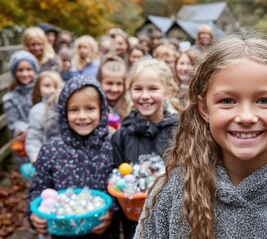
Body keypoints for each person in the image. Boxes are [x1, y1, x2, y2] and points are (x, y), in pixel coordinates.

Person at [133, 35, 267, 239]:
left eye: (264, 101)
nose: (246, 117)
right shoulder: (173, 193)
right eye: (227, 101)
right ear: (204, 109)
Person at [28, 76, 120, 239]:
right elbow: (38, 188)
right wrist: (34, 214)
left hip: (103, 233)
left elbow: (120, 187)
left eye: (90, 108)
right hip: (63, 232)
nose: (82, 116)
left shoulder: (113, 145)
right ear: (64, 112)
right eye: (74, 110)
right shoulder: (51, 149)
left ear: (102, 110)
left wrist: (112, 211)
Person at [111, 59, 179, 239]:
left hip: (174, 219)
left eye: (153, 89)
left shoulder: (179, 132)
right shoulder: (122, 135)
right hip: (134, 221)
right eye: (138, 89)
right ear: (130, 91)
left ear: (168, 91)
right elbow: (115, 175)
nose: (145, 95)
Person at [2, 50, 39, 161]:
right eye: (20, 70)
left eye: (28, 69)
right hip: (24, 140)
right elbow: (13, 122)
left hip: (43, 136)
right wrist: (27, 129)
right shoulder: (9, 98)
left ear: (34, 70)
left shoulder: (41, 90)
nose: (25, 74)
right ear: (14, 72)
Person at [26, 71, 64, 163]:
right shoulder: (37, 111)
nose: (52, 90)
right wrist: (35, 156)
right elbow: (34, 136)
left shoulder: (67, 107)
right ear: (38, 88)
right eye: (47, 86)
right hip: (47, 158)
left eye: (56, 86)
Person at [97, 56, 129, 120]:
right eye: (109, 83)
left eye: (119, 84)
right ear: (99, 82)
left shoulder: (129, 107)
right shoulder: (94, 105)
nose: (114, 89)